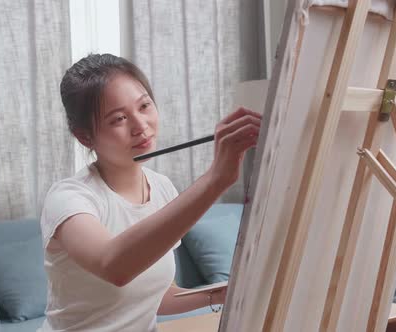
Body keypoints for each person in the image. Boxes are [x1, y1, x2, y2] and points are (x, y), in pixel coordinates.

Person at [38, 53, 261, 331]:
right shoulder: (68, 198)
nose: (140, 126)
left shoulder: (161, 187)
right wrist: (217, 179)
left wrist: (224, 292)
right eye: (119, 119)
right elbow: (115, 267)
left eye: (144, 106)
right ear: (85, 137)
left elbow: (157, 297)